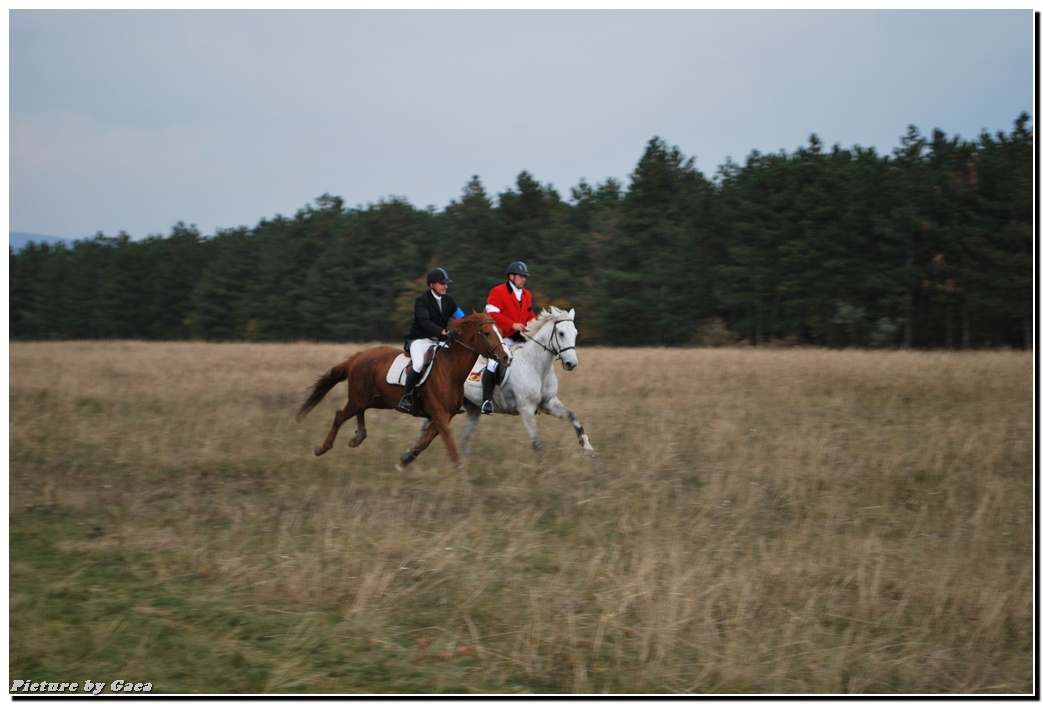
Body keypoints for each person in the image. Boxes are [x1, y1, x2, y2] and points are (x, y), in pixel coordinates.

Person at [398, 267, 465, 413]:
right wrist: (444, 332)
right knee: (418, 363)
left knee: (450, 363)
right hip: (420, 339)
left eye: (446, 283)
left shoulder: (449, 300)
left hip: (438, 341)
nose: (445, 286)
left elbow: (460, 318)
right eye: (442, 283)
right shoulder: (422, 300)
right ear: (432, 285)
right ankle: (407, 397)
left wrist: (469, 325)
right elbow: (425, 322)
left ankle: (451, 398)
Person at [480, 260, 537, 414]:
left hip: (521, 339)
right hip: (501, 338)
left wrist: (537, 324)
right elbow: (491, 314)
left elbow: (530, 314)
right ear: (511, 276)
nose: (524, 279)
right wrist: (511, 325)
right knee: (492, 366)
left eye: (525, 277)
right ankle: (486, 401)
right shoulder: (498, 292)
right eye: (521, 276)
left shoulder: (527, 294)